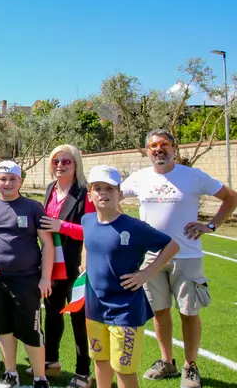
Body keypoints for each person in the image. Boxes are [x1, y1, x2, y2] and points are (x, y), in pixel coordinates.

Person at [120, 129, 237, 387]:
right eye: (153, 146)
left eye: (164, 144)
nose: (158, 149)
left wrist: (211, 226)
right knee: (160, 312)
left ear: (175, 147)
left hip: (187, 256)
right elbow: (112, 196)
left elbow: (231, 197)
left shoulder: (192, 176)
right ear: (147, 150)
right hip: (152, 257)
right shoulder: (139, 178)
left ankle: (190, 366)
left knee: (188, 312)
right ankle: (167, 362)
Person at [83, 165, 180, 388]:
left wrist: (146, 273)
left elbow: (171, 246)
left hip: (124, 309)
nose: (103, 193)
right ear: (90, 194)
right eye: (98, 188)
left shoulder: (133, 226)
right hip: (94, 308)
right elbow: (88, 244)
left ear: (119, 193)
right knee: (100, 360)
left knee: (124, 370)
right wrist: (83, 263)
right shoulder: (87, 220)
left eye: (110, 188)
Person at [0, 160, 54, 388]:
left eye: (12, 179)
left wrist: (45, 277)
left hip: (27, 280)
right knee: (3, 328)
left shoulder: (33, 207)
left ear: (20, 182)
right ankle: (10, 374)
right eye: (2, 179)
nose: (7, 183)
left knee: (32, 330)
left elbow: (47, 244)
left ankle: (40, 377)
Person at [36, 145, 95, 388]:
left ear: (76, 164)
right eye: (56, 161)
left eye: (66, 161)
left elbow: (92, 229)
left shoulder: (85, 192)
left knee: (79, 318)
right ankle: (51, 360)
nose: (60, 165)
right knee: (52, 312)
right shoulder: (51, 188)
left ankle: (83, 371)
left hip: (76, 264)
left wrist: (62, 226)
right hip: (52, 262)